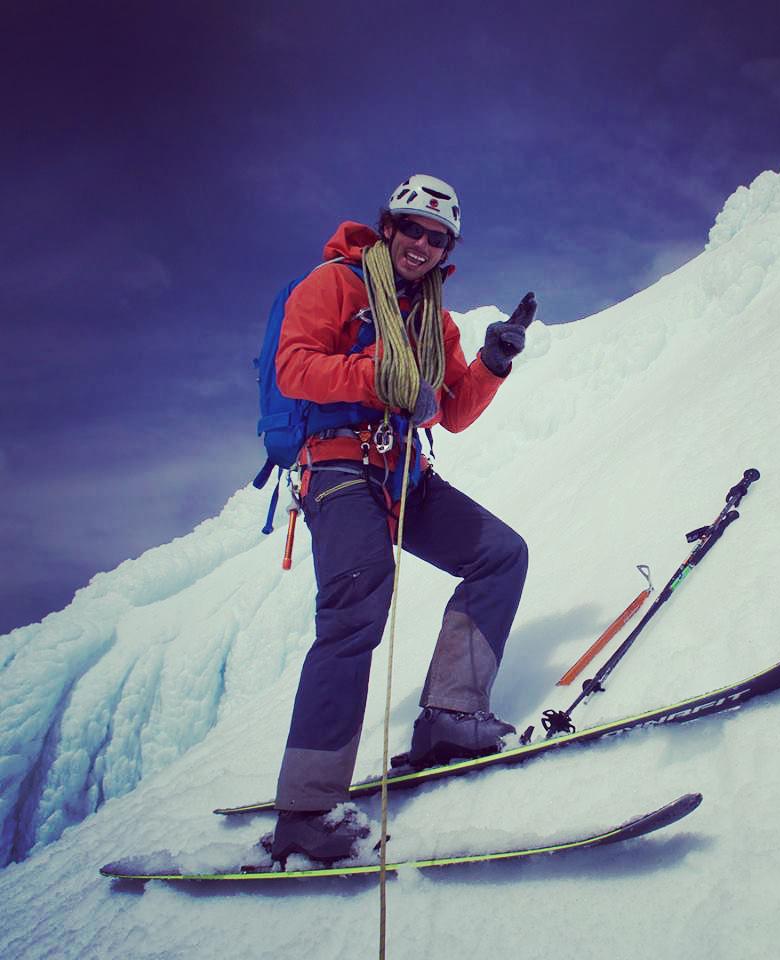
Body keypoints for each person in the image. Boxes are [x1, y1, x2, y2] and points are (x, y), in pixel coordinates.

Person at [270, 174, 536, 862]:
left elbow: (448, 408)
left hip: (400, 474)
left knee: (500, 555)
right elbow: (293, 368)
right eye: (412, 227)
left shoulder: (436, 320)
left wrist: (492, 362)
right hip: (337, 467)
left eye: (436, 235)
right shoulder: (335, 284)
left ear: (448, 249)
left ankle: (451, 717)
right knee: (358, 602)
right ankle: (304, 809)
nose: (421, 242)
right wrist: (377, 375)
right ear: (388, 228)